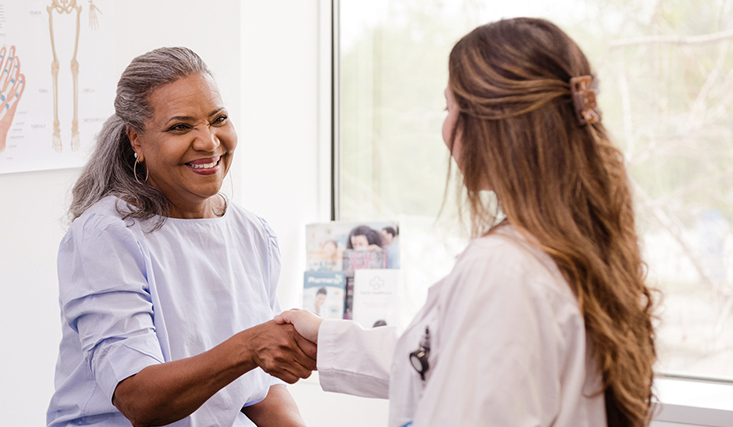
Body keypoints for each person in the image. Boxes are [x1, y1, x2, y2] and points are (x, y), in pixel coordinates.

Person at [276, 18, 658, 427]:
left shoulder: (503, 269)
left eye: (450, 107)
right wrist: (327, 338)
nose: (445, 128)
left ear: (492, 124)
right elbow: (440, 356)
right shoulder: (569, 242)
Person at [48, 47, 315, 427]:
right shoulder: (106, 237)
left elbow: (261, 385)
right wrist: (250, 346)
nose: (208, 142)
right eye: (180, 126)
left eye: (218, 118)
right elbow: (139, 399)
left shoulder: (253, 233)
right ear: (136, 141)